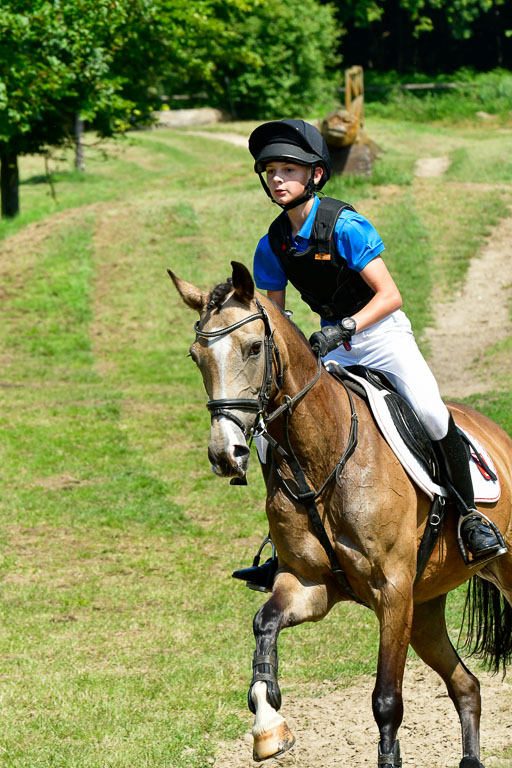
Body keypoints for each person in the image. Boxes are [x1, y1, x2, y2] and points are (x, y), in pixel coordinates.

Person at [232, 118, 505, 591]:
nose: (277, 179)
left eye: (288, 170)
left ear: (315, 174)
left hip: (381, 335)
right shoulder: (272, 244)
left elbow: (390, 295)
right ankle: (283, 545)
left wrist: (344, 328)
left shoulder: (346, 226)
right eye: (270, 171)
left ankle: (469, 519)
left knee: (430, 411)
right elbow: (275, 317)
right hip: (329, 347)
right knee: (271, 433)